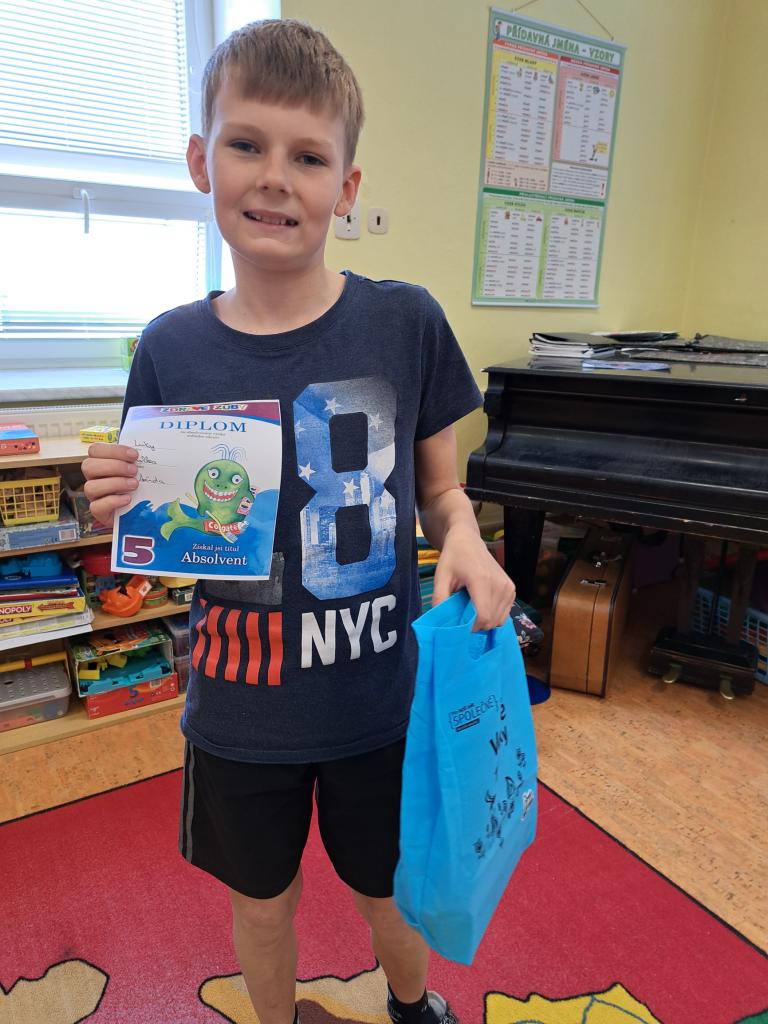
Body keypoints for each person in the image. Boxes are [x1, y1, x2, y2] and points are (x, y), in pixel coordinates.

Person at [82, 19, 516, 1024]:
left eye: (309, 157)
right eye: (247, 145)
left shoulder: (406, 323)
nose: (275, 177)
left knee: (387, 888)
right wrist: (120, 507)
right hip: (240, 710)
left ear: (347, 187)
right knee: (262, 902)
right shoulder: (170, 348)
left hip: (379, 699)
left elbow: (443, 491)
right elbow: (160, 533)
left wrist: (462, 534)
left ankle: (412, 1006)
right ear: (203, 162)